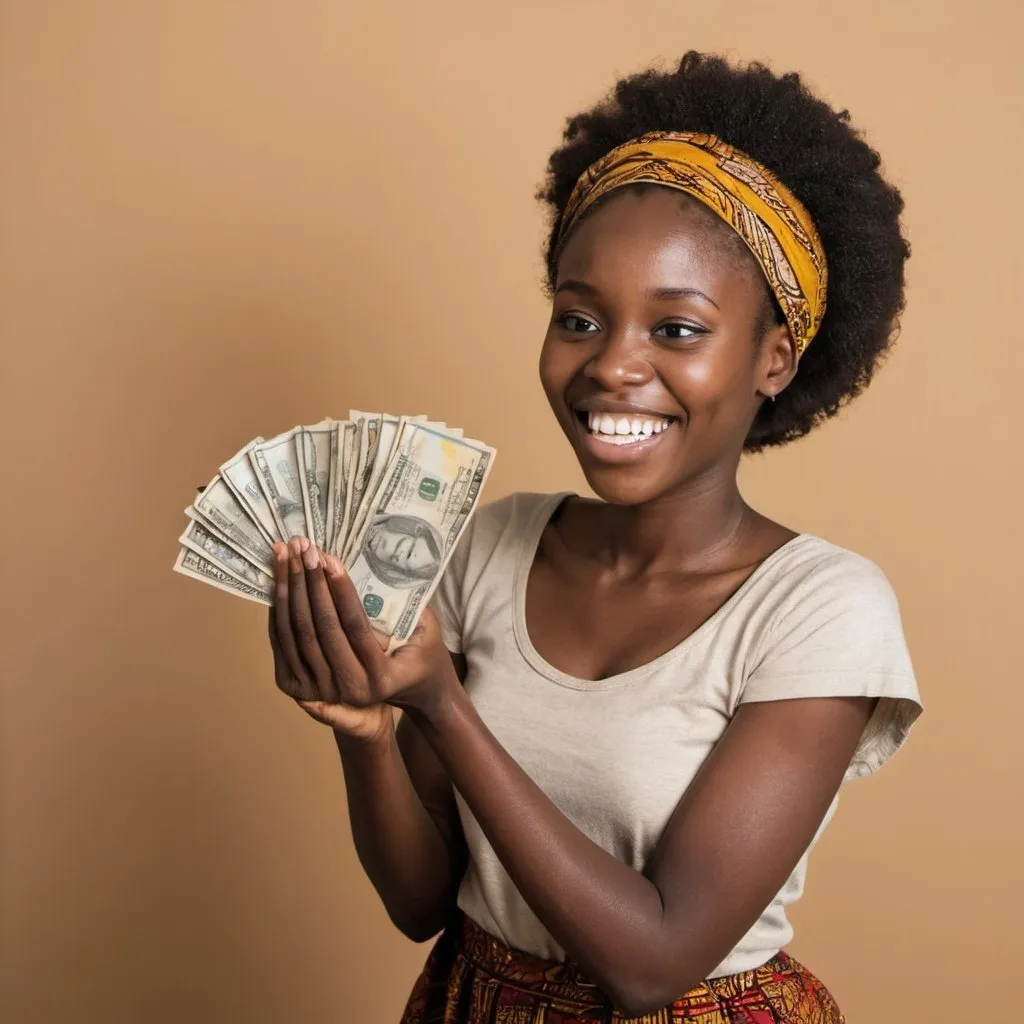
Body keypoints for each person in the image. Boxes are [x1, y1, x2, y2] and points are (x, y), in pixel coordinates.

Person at [267, 51, 923, 1023]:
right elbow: (419, 901)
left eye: (677, 329)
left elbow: (651, 962)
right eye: (579, 317)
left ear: (773, 356)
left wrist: (443, 704)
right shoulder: (491, 546)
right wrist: (366, 735)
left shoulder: (819, 608)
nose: (612, 365)